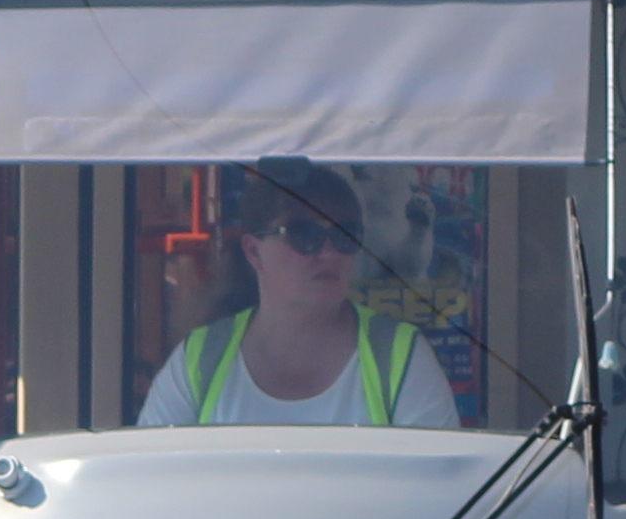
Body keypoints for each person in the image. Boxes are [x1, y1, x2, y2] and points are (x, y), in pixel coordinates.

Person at [136, 157, 465, 431]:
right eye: (303, 234)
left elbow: (441, 491)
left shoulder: (401, 357)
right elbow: (152, 487)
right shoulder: (199, 361)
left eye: (346, 235)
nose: (329, 252)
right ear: (254, 251)